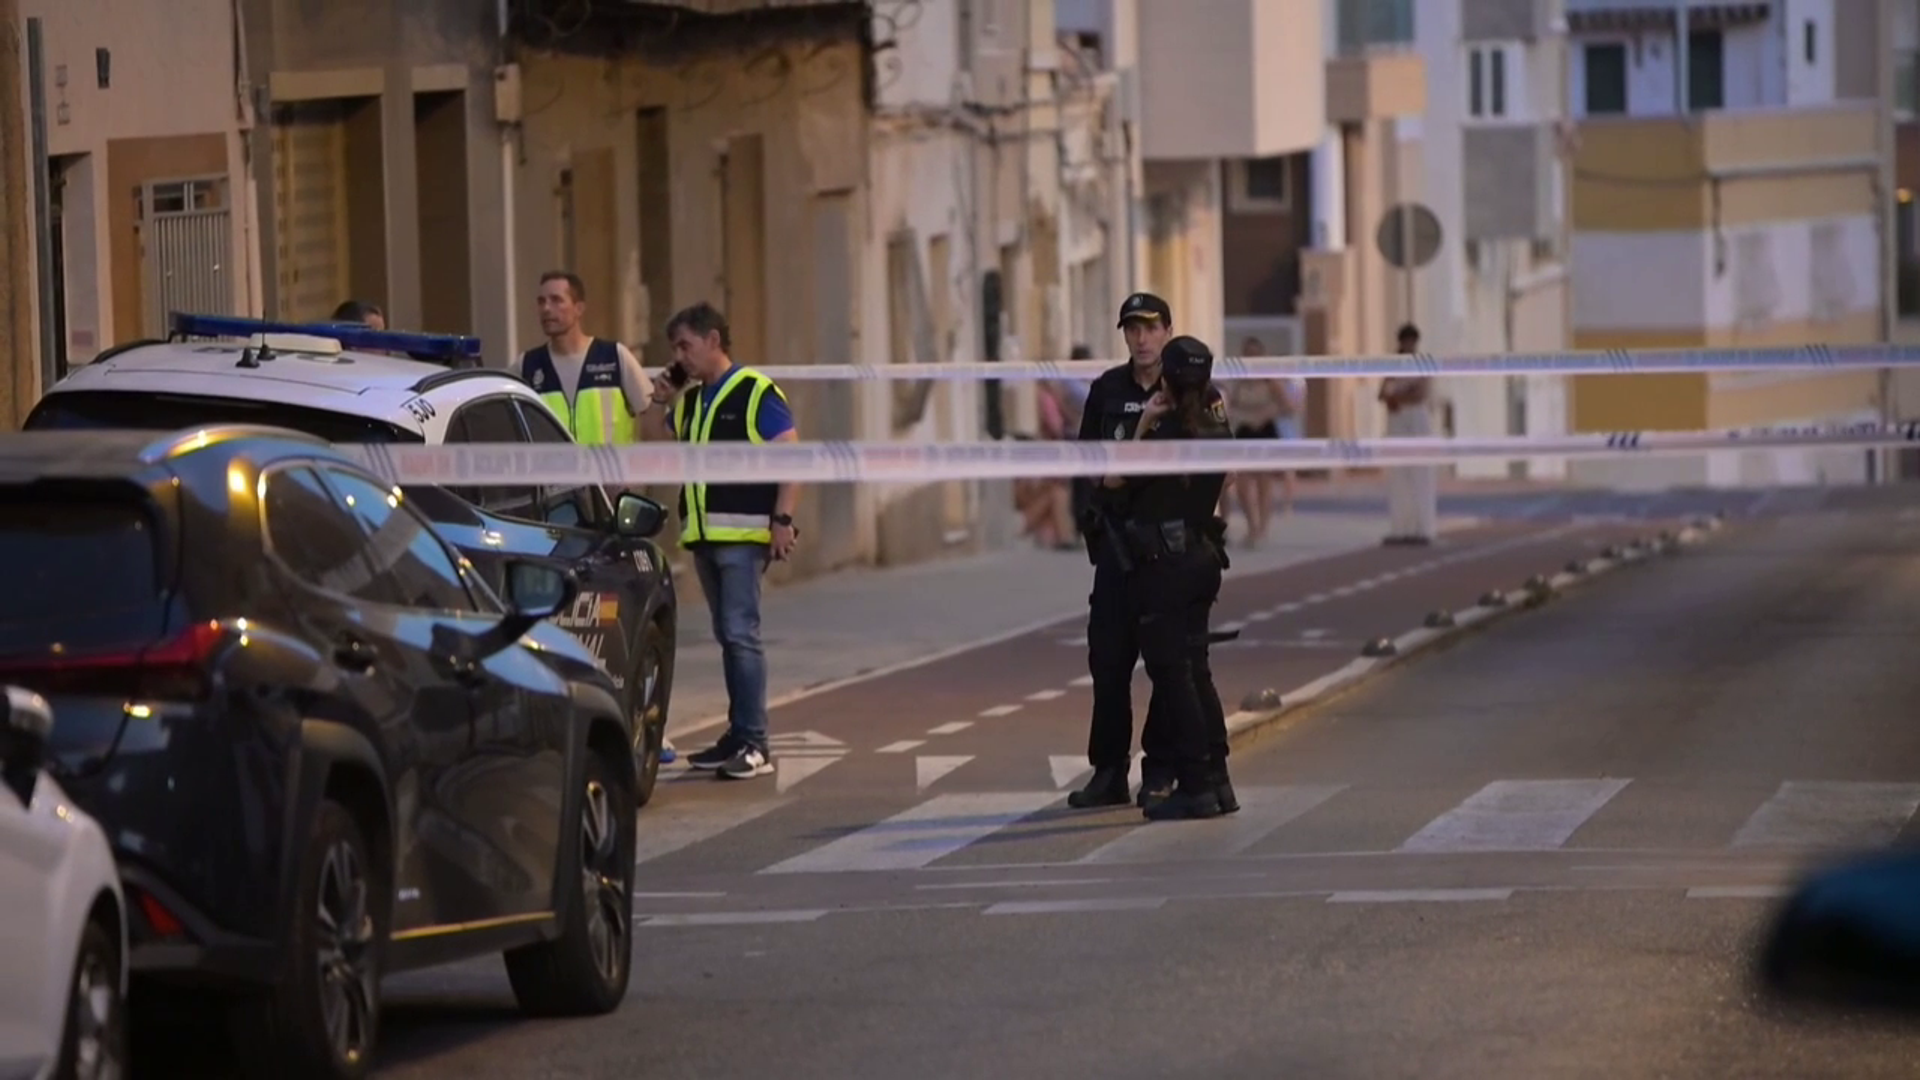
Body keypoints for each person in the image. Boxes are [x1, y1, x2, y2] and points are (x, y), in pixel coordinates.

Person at [646, 302, 799, 781]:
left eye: (685, 346)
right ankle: (738, 734)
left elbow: (793, 455)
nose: (680, 356)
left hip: (744, 535)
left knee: (740, 634)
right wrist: (661, 400)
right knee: (728, 637)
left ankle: (754, 740)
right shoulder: (691, 401)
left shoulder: (755, 393)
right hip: (706, 537)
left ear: (714, 341)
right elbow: (654, 441)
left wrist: (783, 519)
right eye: (675, 348)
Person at [1102, 334, 1237, 821]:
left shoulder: (1163, 433)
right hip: (1204, 554)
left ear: (1166, 378)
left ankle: (1198, 784)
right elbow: (1229, 479)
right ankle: (1219, 779)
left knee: (1173, 673)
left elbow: (1113, 480)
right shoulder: (1216, 424)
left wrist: (1142, 424)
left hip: (1165, 563)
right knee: (1196, 669)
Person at [1067, 292, 1181, 811]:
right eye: (1132, 329)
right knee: (1108, 662)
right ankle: (1109, 770)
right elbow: (1086, 458)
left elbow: (1221, 463)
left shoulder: (1188, 388)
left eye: (1150, 328)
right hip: (1117, 545)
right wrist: (1091, 516)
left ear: (1167, 332)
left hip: (1166, 545)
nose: (1140, 339)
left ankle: (1159, 770)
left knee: (1166, 661)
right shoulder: (1106, 390)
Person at [517, 271, 654, 446]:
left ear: (579, 308)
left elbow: (652, 417)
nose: (546, 309)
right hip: (552, 472)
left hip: (609, 472)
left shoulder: (613, 357)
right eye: (541, 302)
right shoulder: (527, 365)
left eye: (556, 300)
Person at [1224, 336, 1304, 546]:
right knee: (1241, 486)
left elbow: (1290, 407)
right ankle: (1251, 525)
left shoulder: (1271, 382)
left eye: (1255, 354)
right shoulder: (1239, 382)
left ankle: (1262, 530)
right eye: (1247, 354)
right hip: (1244, 432)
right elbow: (1230, 407)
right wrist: (1238, 414)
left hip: (1265, 432)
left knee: (1263, 484)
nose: (1251, 358)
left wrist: (1268, 412)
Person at [1378, 322, 1437, 545]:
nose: (1408, 345)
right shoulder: (1392, 364)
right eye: (1405, 340)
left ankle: (1423, 528)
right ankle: (1400, 527)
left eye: (1411, 341)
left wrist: (1398, 397)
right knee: (1398, 475)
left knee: (1420, 474)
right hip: (1397, 421)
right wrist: (1398, 397)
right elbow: (1383, 393)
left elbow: (1421, 393)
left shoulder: (1423, 363)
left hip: (1416, 420)